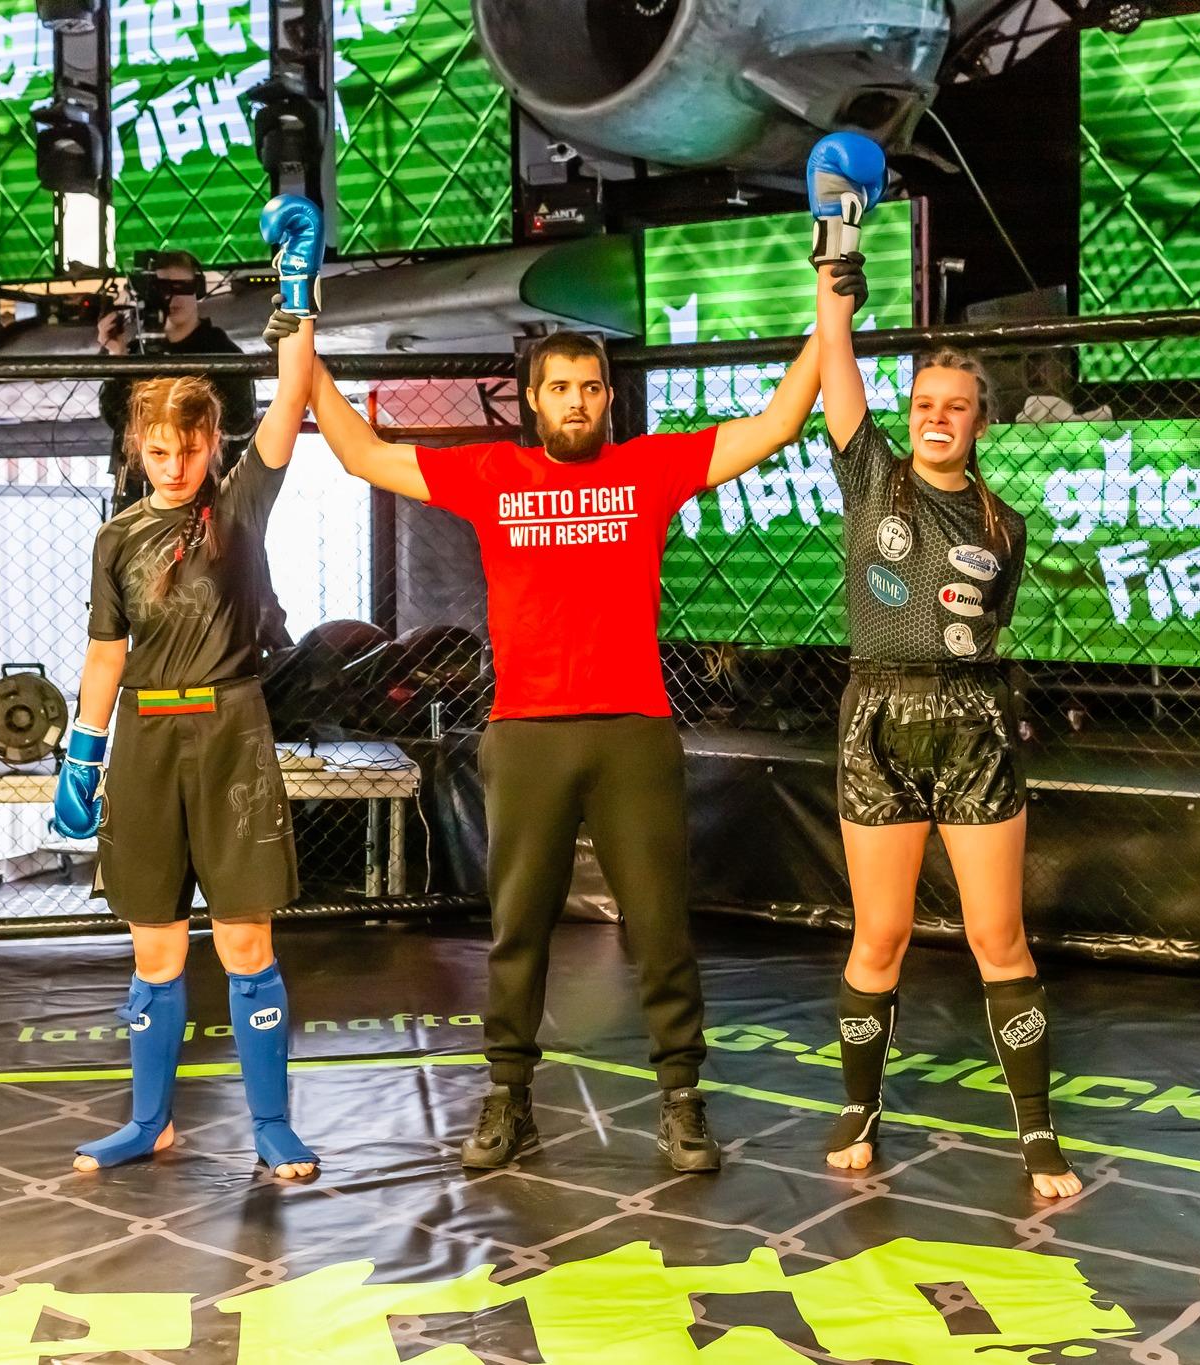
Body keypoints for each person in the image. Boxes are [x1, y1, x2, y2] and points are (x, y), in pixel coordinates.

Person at [299, 325, 822, 1175]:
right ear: (534, 401)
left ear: (607, 397)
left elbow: (778, 423)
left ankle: (682, 1096)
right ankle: (509, 1095)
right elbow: (361, 454)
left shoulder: (647, 469)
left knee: (660, 923)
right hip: (527, 733)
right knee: (517, 928)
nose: (577, 401)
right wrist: (301, 341)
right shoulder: (493, 473)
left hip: (631, 731)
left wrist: (829, 310)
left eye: (590, 387)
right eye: (560, 388)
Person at [814, 207, 1082, 1199]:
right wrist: (835, 276)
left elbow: (988, 627)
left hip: (971, 723)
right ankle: (858, 1109)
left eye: (955, 405)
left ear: (980, 420)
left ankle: (1037, 1131)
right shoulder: (871, 478)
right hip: (875, 719)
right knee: (878, 936)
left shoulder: (1004, 525)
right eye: (924, 401)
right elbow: (836, 366)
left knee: (996, 938)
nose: (936, 416)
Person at [51, 303, 317, 1180]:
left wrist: (298, 300)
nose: (174, 465)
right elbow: (105, 651)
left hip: (232, 730)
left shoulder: (237, 507)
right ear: (139, 447)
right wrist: (82, 753)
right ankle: (149, 1122)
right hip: (145, 739)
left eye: (189, 449)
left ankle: (271, 1124)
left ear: (211, 443)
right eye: (160, 450)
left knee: (247, 945)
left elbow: (291, 398)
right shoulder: (115, 538)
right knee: (154, 949)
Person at [97, 250, 256, 508]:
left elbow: (241, 427)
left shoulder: (222, 353)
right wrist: (118, 355)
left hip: (206, 493)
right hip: (138, 495)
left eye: (181, 287)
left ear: (198, 289)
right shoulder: (136, 352)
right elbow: (116, 419)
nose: (172, 297)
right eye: (162, 288)